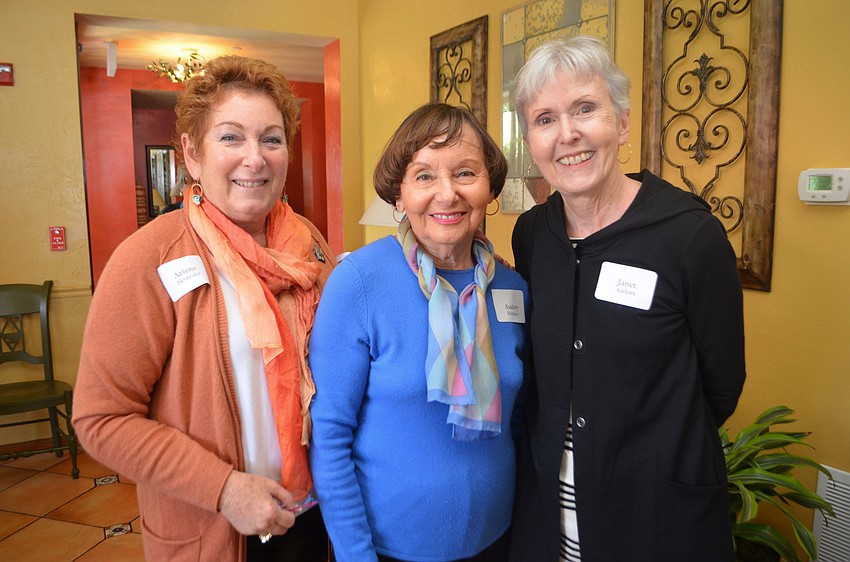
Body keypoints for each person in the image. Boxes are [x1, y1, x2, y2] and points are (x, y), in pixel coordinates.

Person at [73, 56, 334, 562]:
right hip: (216, 531)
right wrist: (225, 489)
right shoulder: (149, 259)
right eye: (231, 137)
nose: (254, 158)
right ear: (192, 154)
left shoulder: (311, 246)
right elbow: (100, 418)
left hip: (314, 515)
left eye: (272, 139)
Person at [507, 36, 746, 562]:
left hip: (655, 518)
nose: (567, 134)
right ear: (530, 138)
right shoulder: (531, 235)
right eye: (545, 119)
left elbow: (721, 384)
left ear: (621, 120)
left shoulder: (689, 236)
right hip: (549, 516)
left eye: (584, 109)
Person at [308, 103, 529, 562]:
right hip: (388, 550)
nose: (446, 195)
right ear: (399, 196)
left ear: (489, 187)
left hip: (500, 540)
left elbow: (525, 423)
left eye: (466, 172)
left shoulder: (513, 287)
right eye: (424, 176)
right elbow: (330, 436)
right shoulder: (359, 284)